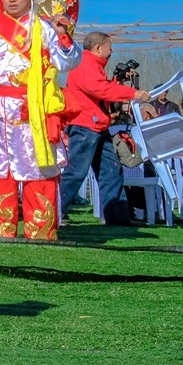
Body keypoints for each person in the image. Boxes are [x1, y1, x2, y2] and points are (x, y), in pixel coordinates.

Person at [0, 0, 81, 239]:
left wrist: (64, 36)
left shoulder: (45, 28)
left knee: (39, 169)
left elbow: (67, 62)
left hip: (33, 109)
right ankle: (0, 230)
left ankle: (40, 230)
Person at [60, 31, 149, 226]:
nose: (112, 51)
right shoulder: (85, 63)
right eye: (110, 46)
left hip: (97, 126)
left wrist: (117, 82)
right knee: (76, 173)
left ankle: (118, 218)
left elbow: (101, 90)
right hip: (85, 126)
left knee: (112, 171)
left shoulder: (92, 65)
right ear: (98, 47)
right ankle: (53, 214)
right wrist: (133, 93)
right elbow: (100, 90)